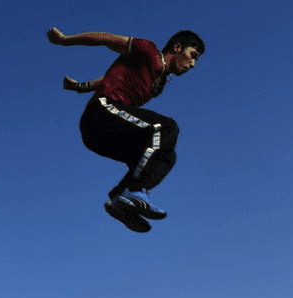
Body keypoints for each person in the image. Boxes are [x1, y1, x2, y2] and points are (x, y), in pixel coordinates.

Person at [47, 27, 204, 232]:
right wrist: (65, 40)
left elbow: (108, 79)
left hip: (106, 135)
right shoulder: (147, 50)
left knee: (165, 155)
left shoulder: (159, 85)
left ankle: (119, 201)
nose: (192, 64)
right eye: (192, 56)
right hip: (101, 115)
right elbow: (105, 39)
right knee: (166, 128)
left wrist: (82, 86)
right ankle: (135, 190)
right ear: (177, 48)